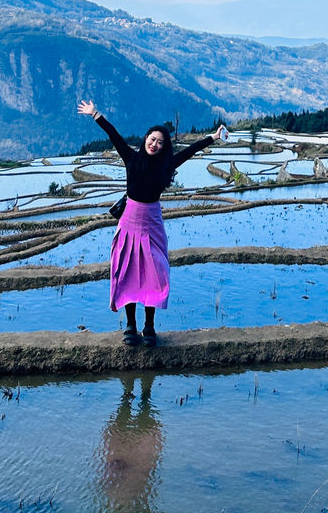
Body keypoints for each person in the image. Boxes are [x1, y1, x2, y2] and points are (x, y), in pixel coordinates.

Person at [78, 99, 225, 346]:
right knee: (128, 272)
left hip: (152, 223)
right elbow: (114, 135)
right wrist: (95, 114)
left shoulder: (167, 164)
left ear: (163, 146)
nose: (154, 144)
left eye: (159, 142)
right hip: (129, 222)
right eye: (151, 139)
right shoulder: (131, 158)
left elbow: (191, 151)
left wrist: (213, 136)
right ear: (145, 138)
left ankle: (149, 327)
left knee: (153, 273)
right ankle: (131, 326)